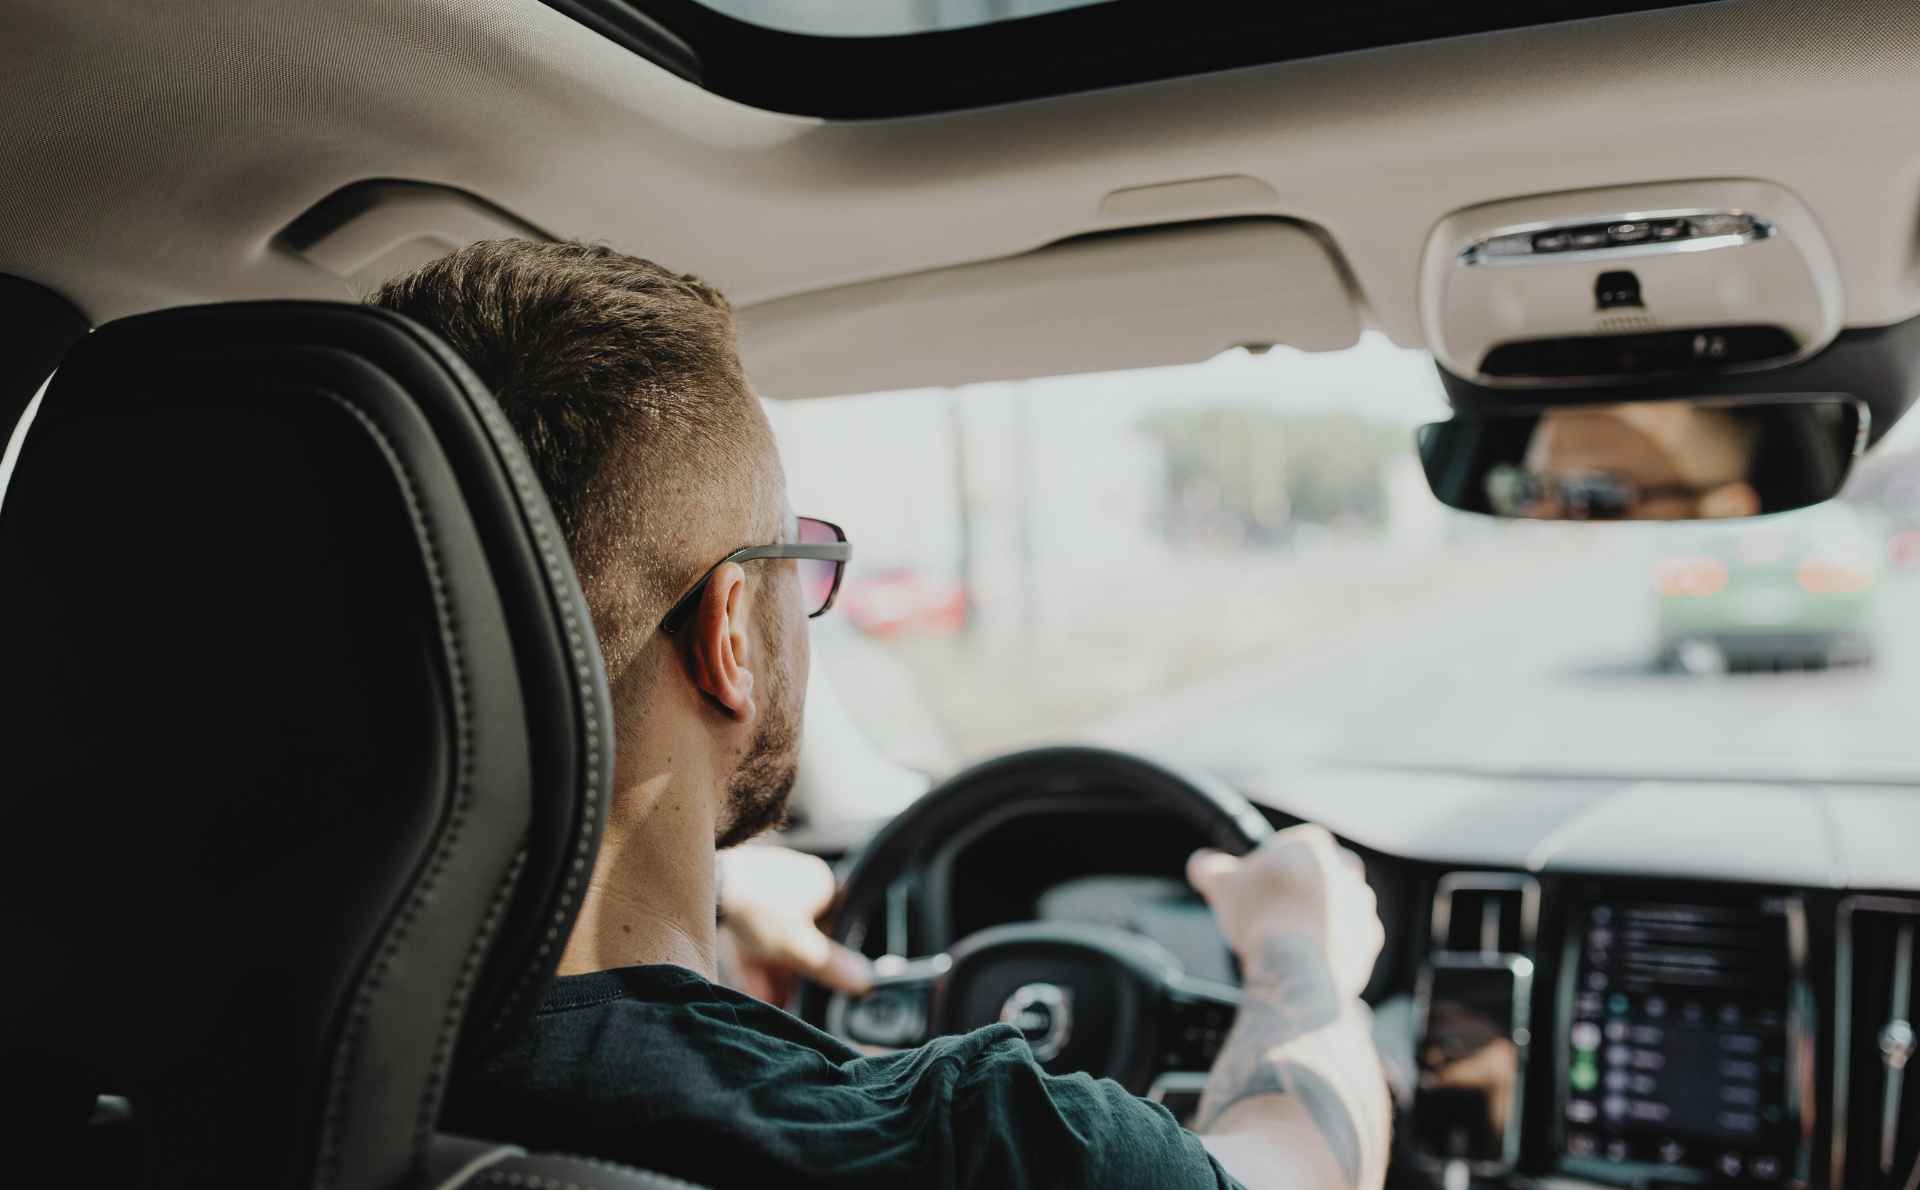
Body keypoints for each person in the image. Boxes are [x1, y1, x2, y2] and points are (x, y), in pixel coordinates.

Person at [370, 240, 1391, 1190]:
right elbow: (1304, 1158)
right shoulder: (964, 1144)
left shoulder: (251, 1046)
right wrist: (1300, 953)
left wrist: (704, 921)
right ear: (730, 631)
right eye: (795, 562)